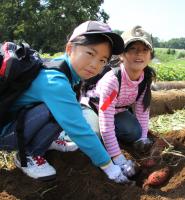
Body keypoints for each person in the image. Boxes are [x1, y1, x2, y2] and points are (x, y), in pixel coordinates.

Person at [0, 20, 130, 183]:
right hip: (5, 133)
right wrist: (110, 168)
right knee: (63, 112)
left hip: (13, 121)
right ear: (70, 48)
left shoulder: (61, 67)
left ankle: (46, 140)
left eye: (103, 60)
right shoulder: (56, 82)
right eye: (90, 53)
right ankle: (28, 155)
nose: (95, 65)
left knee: (65, 109)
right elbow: (78, 129)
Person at [80, 25, 156, 178]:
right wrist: (118, 158)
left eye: (144, 49)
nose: (139, 53)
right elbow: (106, 120)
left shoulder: (144, 80)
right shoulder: (112, 81)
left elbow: (142, 111)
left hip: (118, 111)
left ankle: (113, 140)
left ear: (150, 55)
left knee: (134, 132)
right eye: (132, 48)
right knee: (94, 135)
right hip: (92, 107)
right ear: (121, 54)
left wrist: (142, 138)